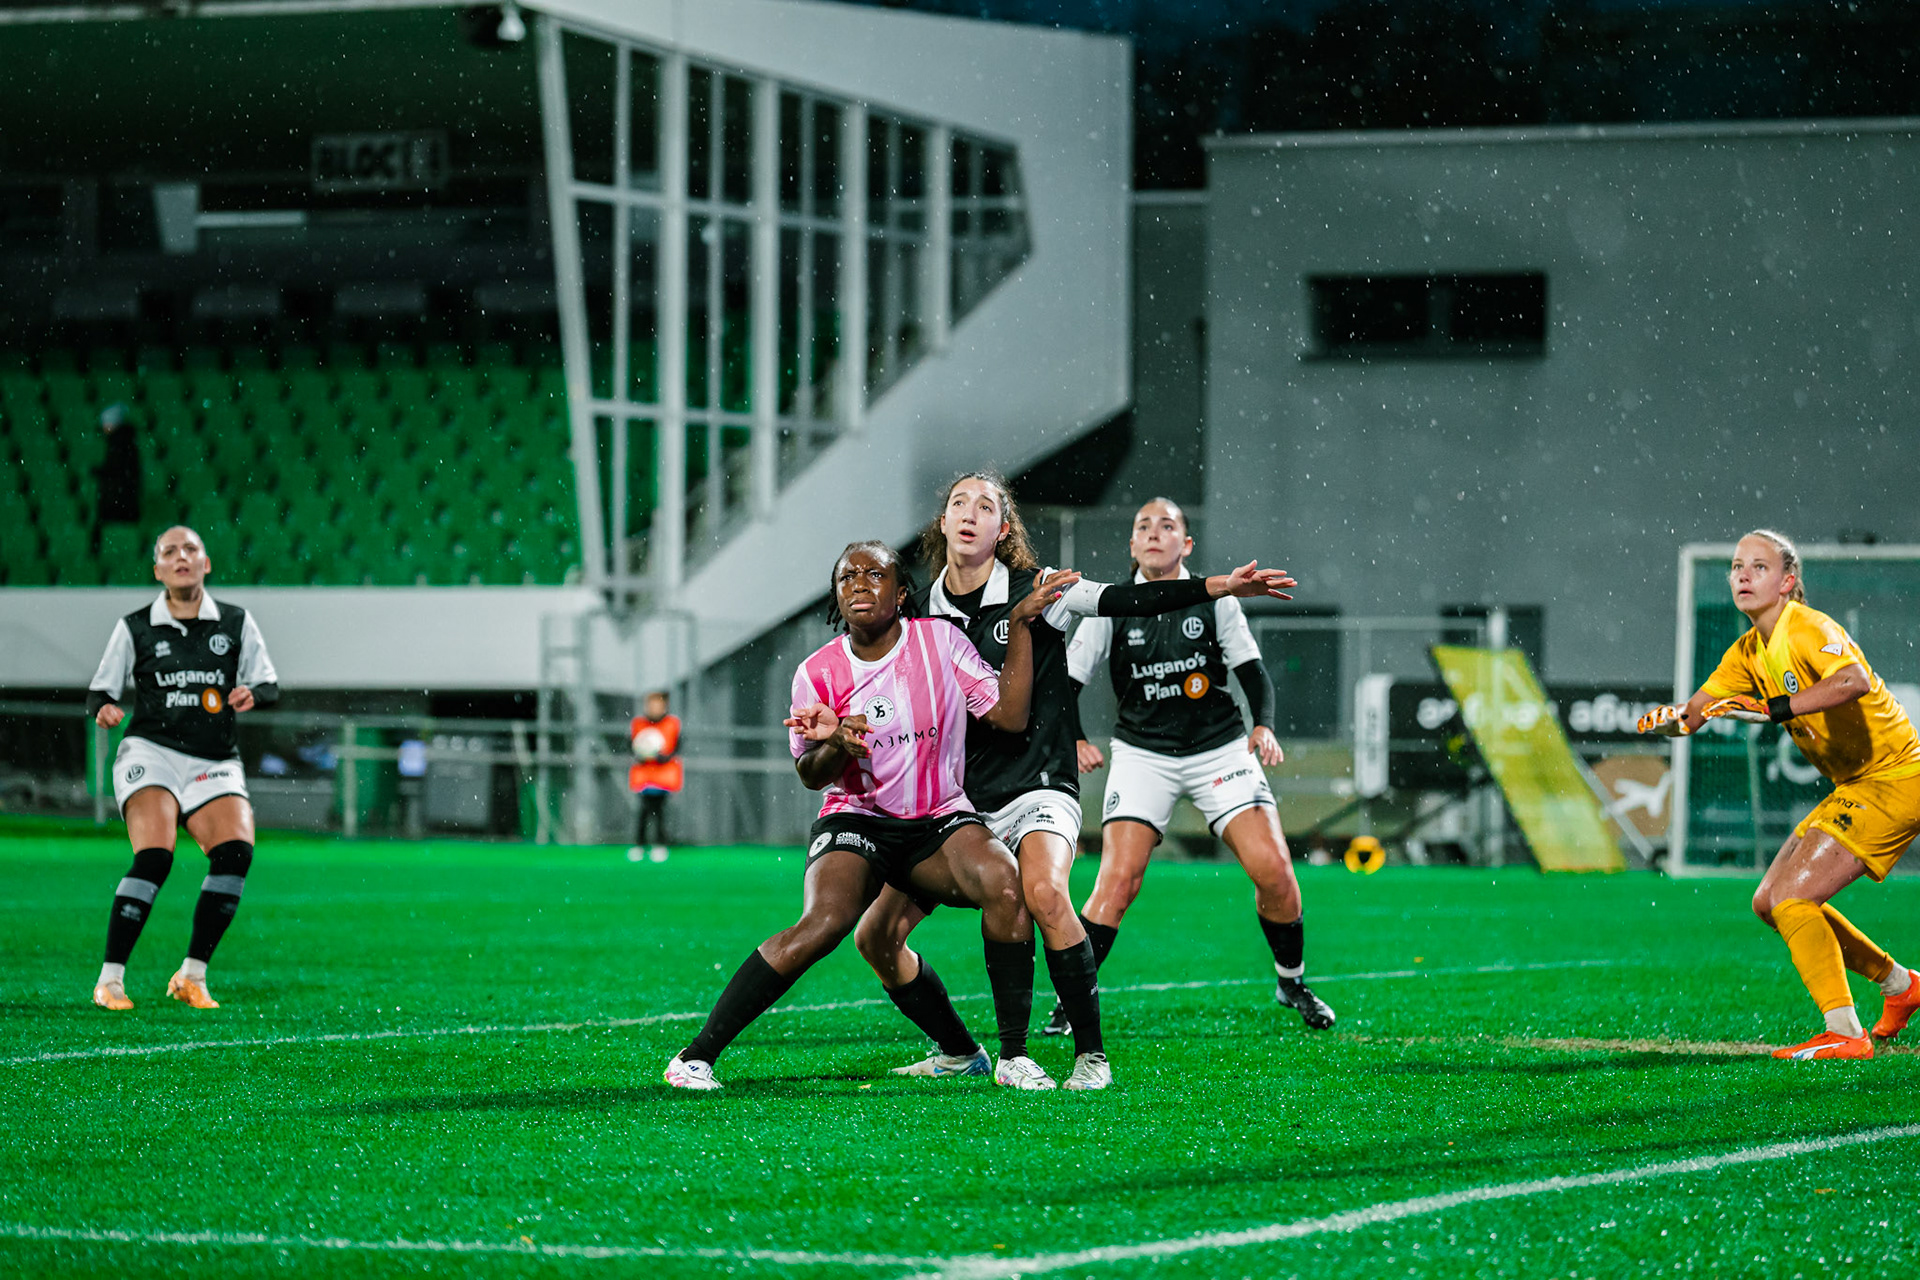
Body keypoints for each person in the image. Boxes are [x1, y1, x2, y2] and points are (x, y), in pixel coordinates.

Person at [854, 472, 1300, 1091]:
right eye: (959, 503)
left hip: (1039, 782)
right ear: (944, 522)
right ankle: (959, 1050)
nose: (969, 514)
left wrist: (1223, 586)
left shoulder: (1046, 591)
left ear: (1002, 531)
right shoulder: (923, 607)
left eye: (986, 507)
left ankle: (1091, 1058)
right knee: (876, 935)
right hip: (960, 800)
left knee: (1043, 891)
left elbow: (1132, 599)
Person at [664, 541, 1079, 1090]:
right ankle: (694, 1058)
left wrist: (1022, 626)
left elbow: (1007, 713)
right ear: (837, 597)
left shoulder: (940, 642)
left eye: (874, 574)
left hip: (937, 819)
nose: (859, 583)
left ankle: (1011, 1056)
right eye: (846, 578)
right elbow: (812, 774)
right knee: (825, 925)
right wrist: (837, 741)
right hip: (856, 819)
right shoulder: (818, 672)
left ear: (901, 591)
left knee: (1006, 885)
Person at [1048, 497, 1335, 1034]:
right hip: (1141, 755)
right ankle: (1070, 1003)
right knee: (1117, 882)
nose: (1155, 533)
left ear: (1187, 543)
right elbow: (1065, 685)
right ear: (1132, 544)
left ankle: (1290, 980)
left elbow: (1252, 671)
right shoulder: (1110, 604)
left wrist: (1263, 724)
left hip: (1219, 749)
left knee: (1274, 871)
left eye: (1168, 525)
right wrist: (1078, 738)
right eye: (1143, 526)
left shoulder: (1218, 598)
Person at [1639, 529, 1920, 1060]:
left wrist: (1775, 709)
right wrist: (1669, 723)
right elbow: (1695, 712)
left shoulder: (1807, 627)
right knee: (1770, 902)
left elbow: (1853, 681)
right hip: (1860, 783)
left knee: (1794, 899)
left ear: (1789, 581)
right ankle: (1902, 986)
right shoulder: (1748, 650)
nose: (1743, 575)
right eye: (1737, 565)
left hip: (1896, 777)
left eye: (1759, 567)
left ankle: (1846, 1033)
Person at [86, 525, 279, 1011]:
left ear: (206, 563)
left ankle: (192, 974)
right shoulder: (135, 626)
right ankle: (110, 980)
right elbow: (99, 691)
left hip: (213, 758)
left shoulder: (235, 622)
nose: (181, 557)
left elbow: (269, 683)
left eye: (190, 549)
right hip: (152, 751)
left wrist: (253, 693)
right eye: (169, 552)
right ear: (158, 570)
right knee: (155, 856)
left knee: (235, 852)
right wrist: (105, 708)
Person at [627, 689, 681, 862]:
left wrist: (662, 757)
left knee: (659, 810)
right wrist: (642, 755)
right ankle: (639, 845)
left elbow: (676, 747)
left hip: (663, 776)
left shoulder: (672, 724)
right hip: (644, 775)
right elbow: (632, 746)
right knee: (643, 810)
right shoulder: (639, 724)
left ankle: (659, 845)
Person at [91, 403, 141, 555]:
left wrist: (101, 473)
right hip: (125, 500)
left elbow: (117, 471)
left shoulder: (118, 445)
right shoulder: (127, 444)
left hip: (118, 500)